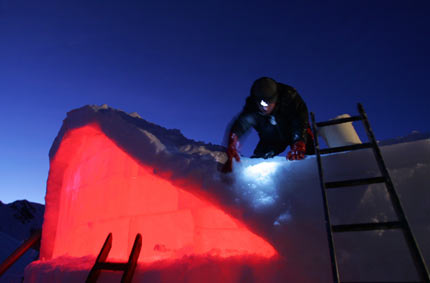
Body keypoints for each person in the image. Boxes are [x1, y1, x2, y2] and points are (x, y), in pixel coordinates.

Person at [223, 77, 315, 173]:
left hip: (295, 132)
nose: (264, 108)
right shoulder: (252, 107)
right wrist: (233, 141)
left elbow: (299, 120)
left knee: (307, 157)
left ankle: (312, 174)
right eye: (261, 103)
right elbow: (242, 123)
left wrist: (299, 140)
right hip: (271, 137)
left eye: (268, 103)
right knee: (257, 163)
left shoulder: (290, 96)